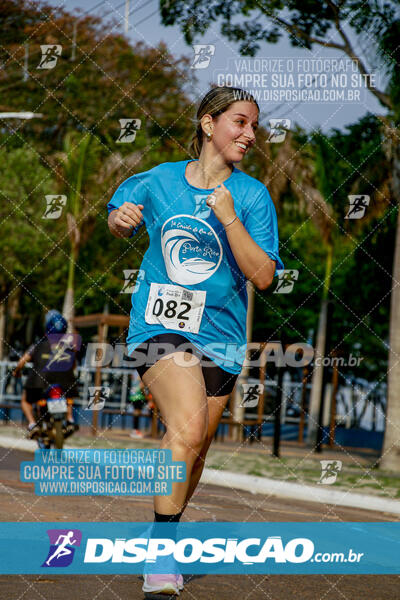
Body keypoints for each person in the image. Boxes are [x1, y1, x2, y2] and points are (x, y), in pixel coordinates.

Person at [107, 86, 283, 595]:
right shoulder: (161, 178)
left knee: (195, 449)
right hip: (159, 327)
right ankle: (161, 556)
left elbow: (264, 276)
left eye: (254, 125)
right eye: (240, 122)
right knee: (184, 430)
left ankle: (165, 531)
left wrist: (228, 215)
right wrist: (120, 221)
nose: (251, 134)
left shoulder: (251, 196)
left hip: (222, 339)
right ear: (209, 124)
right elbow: (120, 211)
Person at [13, 310, 80, 437]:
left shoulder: (38, 345)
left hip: (40, 382)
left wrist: (17, 371)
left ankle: (32, 424)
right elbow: (73, 364)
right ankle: (70, 419)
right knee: (68, 396)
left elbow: (22, 361)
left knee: (25, 400)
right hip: (65, 381)